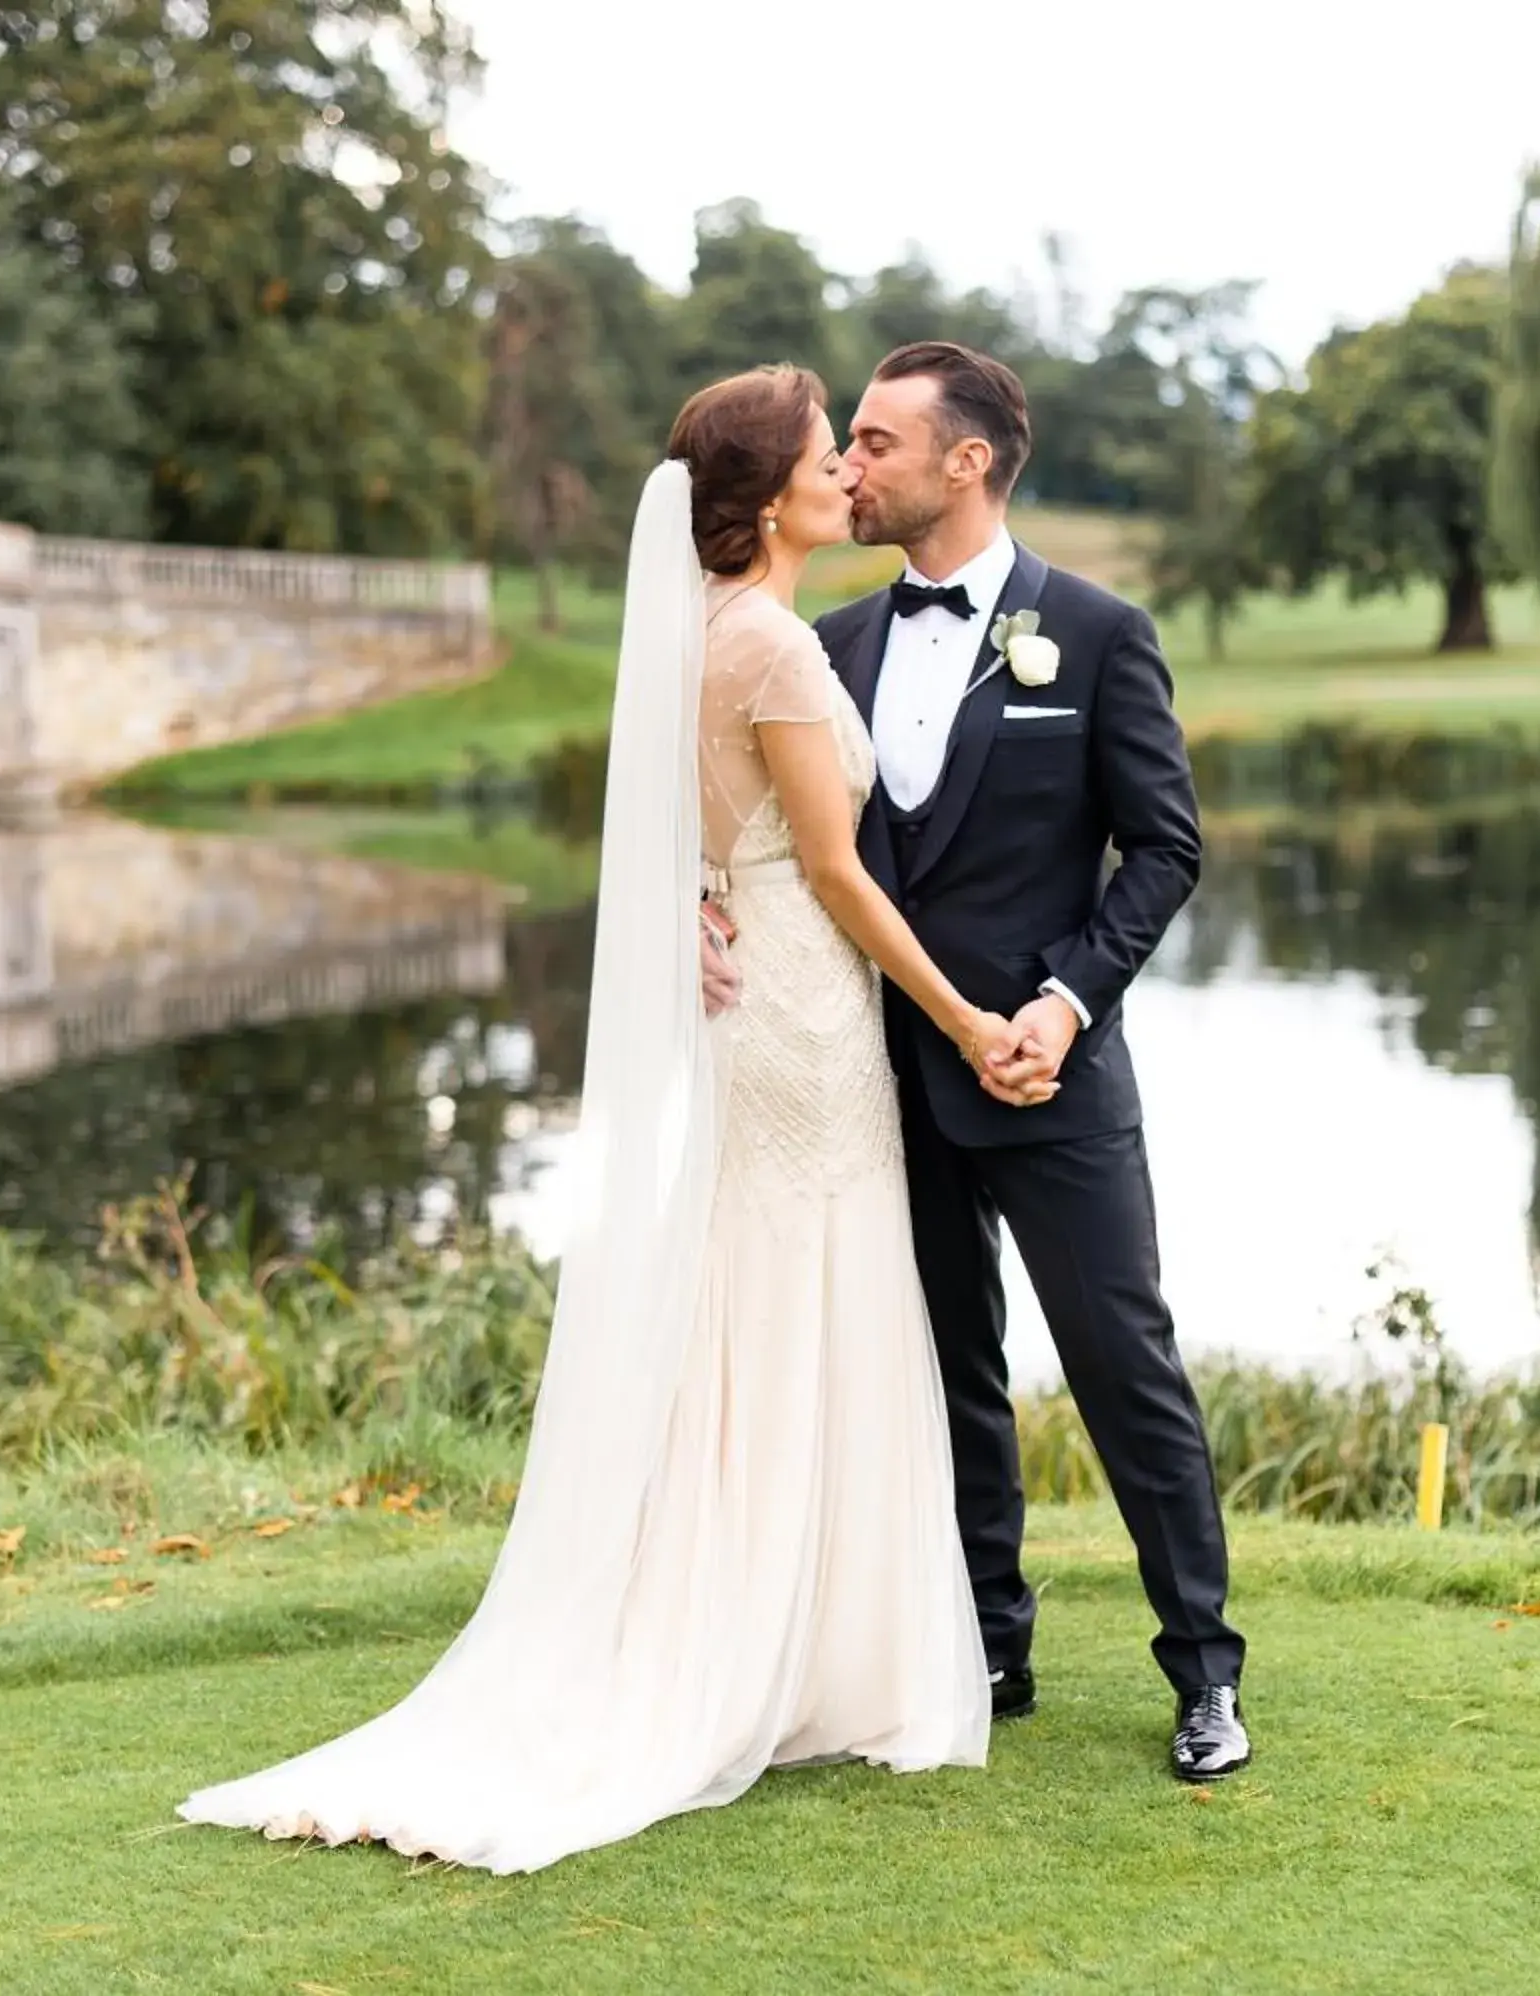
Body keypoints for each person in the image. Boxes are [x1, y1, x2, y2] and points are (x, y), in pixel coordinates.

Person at [178, 366, 998, 1874]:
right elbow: (830, 869)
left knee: (765, 1309)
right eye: (828, 456)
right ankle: (809, 1656)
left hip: (754, 1012)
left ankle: (792, 1638)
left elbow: (703, 840)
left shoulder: (704, 641)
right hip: (807, 1020)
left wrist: (697, 896)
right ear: (763, 502)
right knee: (813, 1300)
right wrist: (961, 1015)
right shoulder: (774, 652)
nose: (846, 475)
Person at [808, 341, 1250, 1782]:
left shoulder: (1101, 633)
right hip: (891, 1082)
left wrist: (1063, 1006)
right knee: (948, 1373)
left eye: (874, 444)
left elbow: (1164, 849)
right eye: (849, 445)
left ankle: (1203, 1674)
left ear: (968, 463)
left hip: (1054, 1081)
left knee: (1127, 1371)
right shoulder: (833, 651)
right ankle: (991, 1642)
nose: (848, 466)